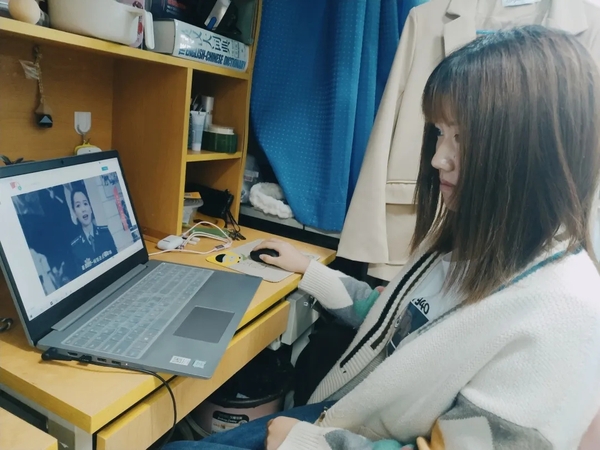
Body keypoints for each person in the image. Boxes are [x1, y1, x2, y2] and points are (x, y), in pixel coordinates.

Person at [164, 26, 600, 450]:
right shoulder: (473, 238)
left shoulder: (563, 316)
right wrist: (308, 270)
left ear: (537, 150)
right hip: (339, 419)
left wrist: (312, 444)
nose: (438, 159)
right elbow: (392, 318)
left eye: (462, 138)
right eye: (439, 133)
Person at [70, 187, 118, 275]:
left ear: (90, 208)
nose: (83, 209)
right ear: (74, 212)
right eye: (78, 206)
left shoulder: (105, 233)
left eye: (85, 203)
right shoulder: (76, 248)